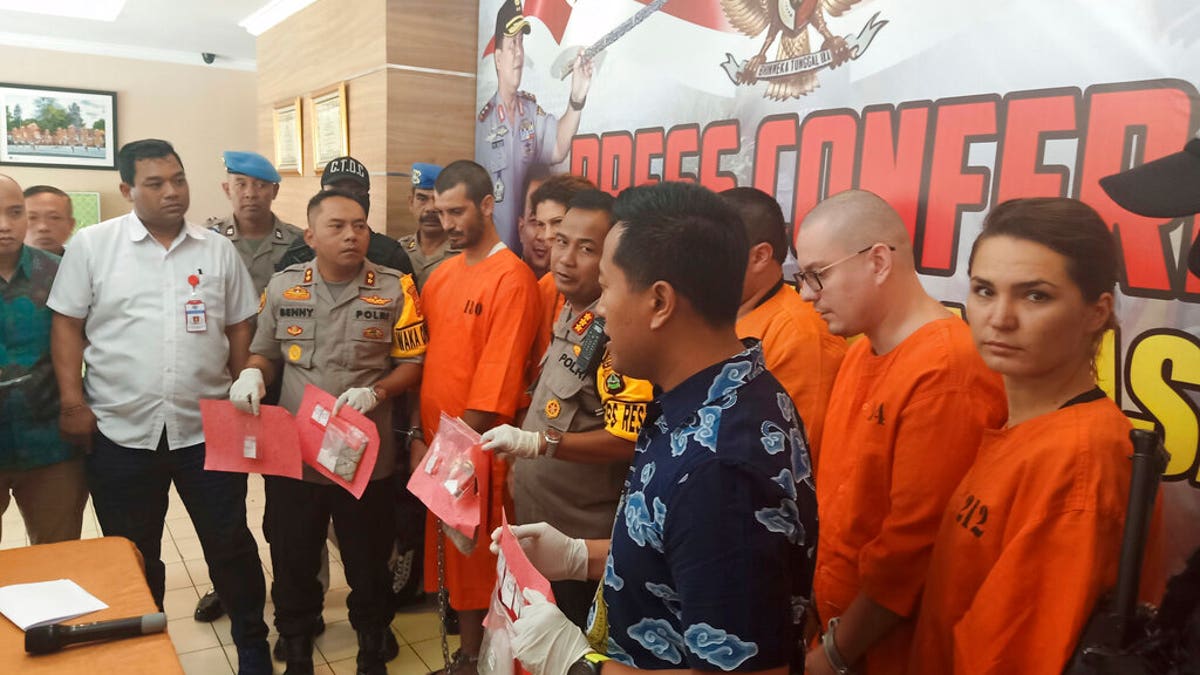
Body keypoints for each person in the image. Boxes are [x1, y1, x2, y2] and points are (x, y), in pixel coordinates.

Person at [505, 181, 817, 674]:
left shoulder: (721, 469)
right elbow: (684, 554)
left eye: (607, 288)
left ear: (660, 302)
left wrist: (580, 665)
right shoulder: (710, 394)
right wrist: (580, 557)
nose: (600, 310)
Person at [904, 197, 1165, 674]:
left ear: (1096, 312)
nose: (1000, 318)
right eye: (984, 290)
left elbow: (1014, 659)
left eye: (1035, 295)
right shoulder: (1029, 426)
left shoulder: (1078, 460)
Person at [47, 139, 271, 673]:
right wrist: (72, 401)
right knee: (133, 552)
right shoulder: (93, 246)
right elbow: (67, 324)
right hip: (121, 432)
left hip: (207, 428)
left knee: (230, 545)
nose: (172, 192)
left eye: (178, 179)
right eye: (155, 183)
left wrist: (245, 384)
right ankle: (145, 652)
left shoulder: (217, 249)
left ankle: (252, 646)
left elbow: (241, 322)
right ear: (127, 190)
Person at [793, 189, 1007, 675]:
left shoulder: (948, 368)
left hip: (891, 653)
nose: (806, 294)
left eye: (817, 275)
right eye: (802, 277)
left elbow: (914, 553)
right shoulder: (857, 353)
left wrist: (832, 656)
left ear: (878, 262)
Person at [233, 188, 425, 675]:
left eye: (359, 225)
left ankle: (372, 636)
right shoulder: (282, 287)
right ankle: (296, 638)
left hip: (366, 454)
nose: (351, 235)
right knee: (294, 552)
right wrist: (253, 373)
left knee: (368, 554)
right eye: (338, 226)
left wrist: (378, 393)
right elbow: (265, 353)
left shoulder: (396, 288)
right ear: (311, 235)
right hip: (296, 452)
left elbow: (412, 363)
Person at [480, 188, 652, 629]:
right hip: (542, 523)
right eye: (561, 241)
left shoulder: (618, 334)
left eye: (586, 248)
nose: (566, 258)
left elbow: (628, 438)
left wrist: (540, 443)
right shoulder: (569, 310)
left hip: (584, 543)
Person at [418, 159, 540, 674]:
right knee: (457, 569)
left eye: (457, 211)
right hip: (438, 450)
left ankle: (483, 662)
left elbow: (496, 384)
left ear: (488, 206)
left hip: (477, 453)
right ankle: (468, 657)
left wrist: (457, 458)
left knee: (483, 567)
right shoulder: (442, 275)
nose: (446, 223)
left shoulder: (512, 279)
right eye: (440, 211)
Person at [722, 187, 847, 455]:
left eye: (712, 250)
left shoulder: (799, 334)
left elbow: (795, 455)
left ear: (759, 256)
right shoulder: (718, 314)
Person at [0, 175, 87, 545]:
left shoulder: (60, 272)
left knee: (58, 558)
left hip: (52, 444)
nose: (5, 224)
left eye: (15, 212)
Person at [476, 0, 594, 250]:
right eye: (511, 45)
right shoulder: (482, 123)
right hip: (495, 254)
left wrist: (577, 98)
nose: (519, 53)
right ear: (498, 58)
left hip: (533, 249)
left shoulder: (530, 112)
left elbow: (558, 148)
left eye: (521, 43)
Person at [277, 156, 415, 275]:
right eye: (336, 192)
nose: (346, 201)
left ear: (367, 199)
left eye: (355, 192)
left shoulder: (390, 255)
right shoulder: (297, 254)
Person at [527, 174, 596, 382]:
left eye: (556, 222)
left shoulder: (609, 292)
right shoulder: (546, 286)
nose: (546, 235)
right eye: (540, 224)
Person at [207, 151, 304, 293]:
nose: (250, 194)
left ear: (275, 191)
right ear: (227, 189)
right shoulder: (209, 239)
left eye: (261, 185)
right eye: (241, 184)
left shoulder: (299, 244)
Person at [400, 162, 459, 290]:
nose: (431, 208)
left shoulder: (464, 255)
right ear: (411, 203)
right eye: (422, 199)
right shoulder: (398, 251)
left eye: (437, 200)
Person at [518, 164, 552, 277]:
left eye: (551, 224)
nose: (541, 237)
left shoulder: (566, 290)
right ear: (521, 229)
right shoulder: (506, 278)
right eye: (535, 222)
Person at [23, 184, 75, 256]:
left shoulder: (84, 264)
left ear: (71, 225)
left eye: (54, 218)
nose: (43, 227)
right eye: (32, 218)